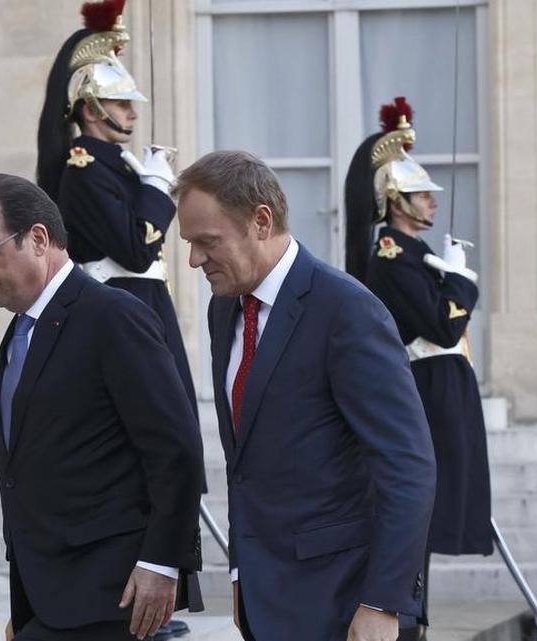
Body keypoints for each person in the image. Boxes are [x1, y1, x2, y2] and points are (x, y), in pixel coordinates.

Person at [174, 151, 437, 641]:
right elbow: (247, 463)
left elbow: (409, 467)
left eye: (207, 242)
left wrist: (383, 602)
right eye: (189, 243)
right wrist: (241, 574)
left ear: (260, 221)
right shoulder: (224, 308)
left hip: (345, 603)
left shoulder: (347, 311)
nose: (193, 259)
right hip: (263, 598)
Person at [0, 173, 204, 641]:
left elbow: (176, 450)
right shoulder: (19, 333)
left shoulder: (112, 316)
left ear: (37, 239)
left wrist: (161, 563)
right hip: (47, 596)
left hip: (113, 595)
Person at [344, 97, 494, 639]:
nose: (432, 203)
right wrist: (461, 281)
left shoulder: (412, 252)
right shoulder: (391, 256)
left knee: (432, 511)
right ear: (394, 200)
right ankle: (404, 615)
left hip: (444, 385)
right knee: (417, 508)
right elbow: (442, 327)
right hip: (428, 387)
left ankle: (413, 615)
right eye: (421, 195)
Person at [35, 0, 198, 428]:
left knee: (174, 419)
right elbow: (136, 249)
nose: (131, 112)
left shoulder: (115, 165)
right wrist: (158, 189)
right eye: (120, 102)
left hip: (144, 302)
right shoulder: (85, 170)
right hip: (124, 304)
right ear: (91, 109)